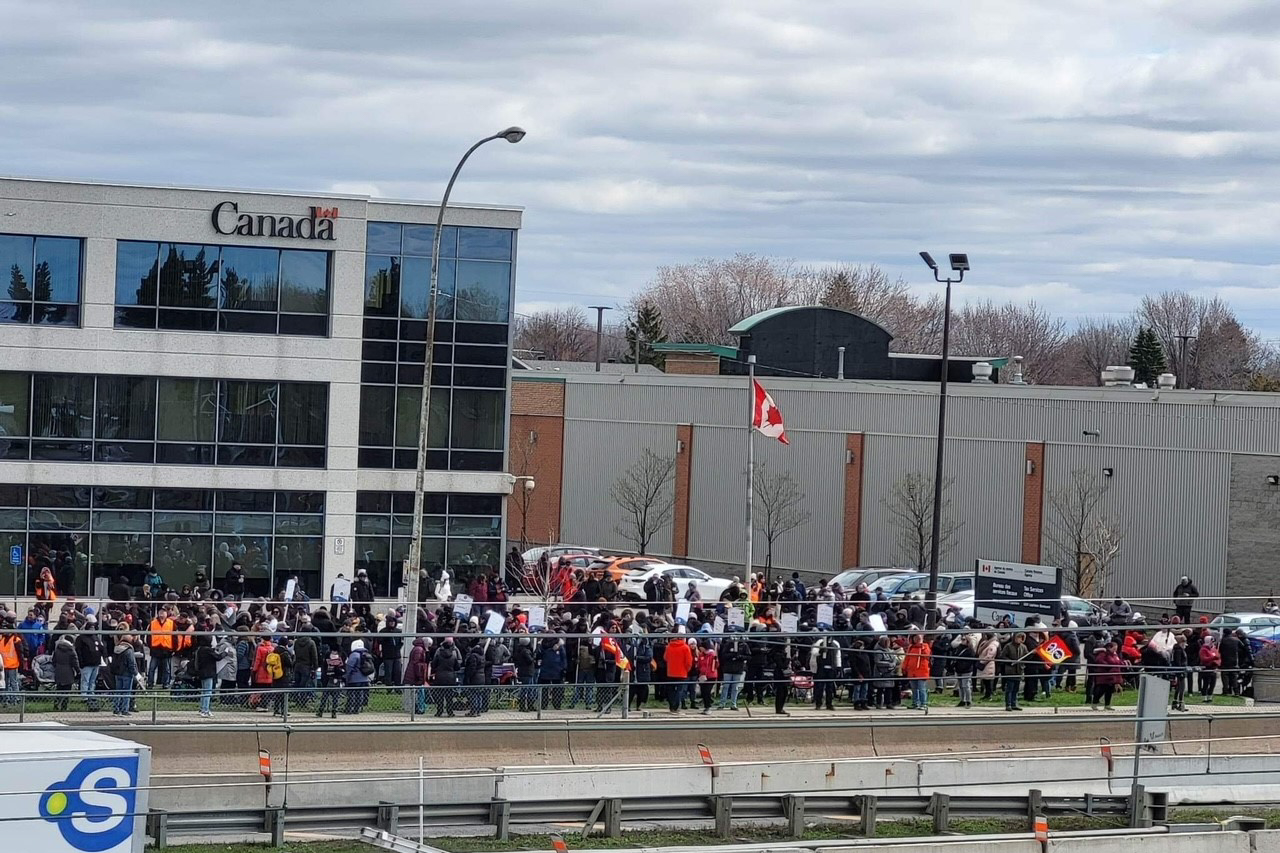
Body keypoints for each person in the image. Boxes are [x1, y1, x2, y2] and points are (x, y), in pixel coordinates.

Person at [74, 619, 106, 712]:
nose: (92, 629)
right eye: (91, 628)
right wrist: (81, 663)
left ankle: (91, 694)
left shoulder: (96, 637)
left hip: (96, 663)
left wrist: (103, 656)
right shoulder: (81, 638)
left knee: (92, 681)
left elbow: (101, 648)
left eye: (93, 628)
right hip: (86, 664)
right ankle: (84, 696)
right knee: (85, 680)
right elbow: (78, 651)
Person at [430, 637, 461, 717]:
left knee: (439, 696)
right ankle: (450, 712)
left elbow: (433, 665)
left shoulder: (438, 655)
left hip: (439, 677)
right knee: (449, 696)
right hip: (450, 678)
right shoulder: (453, 656)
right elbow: (457, 667)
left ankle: (439, 711)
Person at [663, 632, 693, 713]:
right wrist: (687, 670)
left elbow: (665, 658)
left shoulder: (668, 647)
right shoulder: (685, 647)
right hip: (682, 673)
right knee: (679, 691)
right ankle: (676, 707)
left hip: (670, 672)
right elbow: (689, 662)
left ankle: (671, 706)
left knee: (671, 690)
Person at [110, 633, 139, 717]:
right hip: (127, 674)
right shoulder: (128, 650)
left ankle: (116, 709)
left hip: (117, 673)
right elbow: (132, 664)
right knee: (126, 692)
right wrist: (136, 674)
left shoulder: (116, 649)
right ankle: (124, 710)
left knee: (118, 692)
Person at [1000, 632, 1029, 711]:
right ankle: (1008, 704)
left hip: (1019, 670)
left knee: (1016, 689)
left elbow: (1026, 657)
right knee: (1010, 688)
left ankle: (1014, 703)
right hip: (1010, 670)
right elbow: (1003, 656)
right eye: (1018, 637)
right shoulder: (1008, 646)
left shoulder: (1023, 647)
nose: (1019, 639)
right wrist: (1010, 661)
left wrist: (1031, 654)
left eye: (1021, 638)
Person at [1091, 641, 1124, 710]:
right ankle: (1095, 703)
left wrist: (1122, 663)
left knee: (1109, 691)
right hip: (1104, 675)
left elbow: (1118, 662)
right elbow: (1099, 661)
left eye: (1116, 649)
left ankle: (1107, 705)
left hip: (1112, 676)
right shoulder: (1103, 654)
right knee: (1101, 690)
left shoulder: (1115, 655)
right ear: (1109, 648)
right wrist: (1108, 666)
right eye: (1114, 649)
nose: (1115, 651)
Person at [52, 633, 79, 712]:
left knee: (59, 689)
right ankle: (64, 706)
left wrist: (57, 667)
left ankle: (56, 704)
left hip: (58, 671)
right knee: (67, 690)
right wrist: (78, 671)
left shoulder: (57, 649)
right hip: (68, 672)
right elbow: (75, 662)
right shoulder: (71, 650)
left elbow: (53, 661)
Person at [344, 639, 373, 714]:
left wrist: (347, 677)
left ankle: (349, 709)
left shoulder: (354, 655)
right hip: (364, 678)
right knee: (359, 695)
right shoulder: (366, 654)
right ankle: (357, 709)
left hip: (354, 678)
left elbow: (349, 667)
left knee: (351, 694)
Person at [904, 634, 931, 710]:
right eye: (915, 637)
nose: (916, 639)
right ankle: (915, 703)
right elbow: (907, 658)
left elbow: (927, 656)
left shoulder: (925, 646)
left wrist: (922, 646)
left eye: (917, 638)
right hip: (912, 671)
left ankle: (923, 703)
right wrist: (904, 667)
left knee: (921, 688)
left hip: (921, 671)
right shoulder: (911, 647)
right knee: (914, 689)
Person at [1219, 628, 1244, 697]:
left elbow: (1220, 650)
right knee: (1234, 677)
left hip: (1225, 661)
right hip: (1234, 661)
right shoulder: (1236, 640)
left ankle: (1225, 691)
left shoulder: (1223, 640)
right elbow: (1243, 647)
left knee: (1225, 676)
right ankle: (1236, 691)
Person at [1170, 631, 1190, 712]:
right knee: (1181, 687)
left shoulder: (1178, 649)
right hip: (1180, 671)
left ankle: (1175, 703)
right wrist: (1181, 670)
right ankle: (1180, 703)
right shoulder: (1178, 650)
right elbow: (1178, 661)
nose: (1184, 643)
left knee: (1178, 687)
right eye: (1183, 642)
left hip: (1181, 670)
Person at [1198, 634, 1221, 702]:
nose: (1213, 643)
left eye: (1213, 641)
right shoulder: (1203, 649)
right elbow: (1204, 659)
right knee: (1206, 683)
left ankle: (1210, 696)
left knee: (1213, 684)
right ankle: (1204, 697)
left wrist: (1217, 662)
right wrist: (1213, 658)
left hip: (1214, 668)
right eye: (1211, 641)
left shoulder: (1214, 649)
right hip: (1206, 668)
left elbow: (1218, 657)